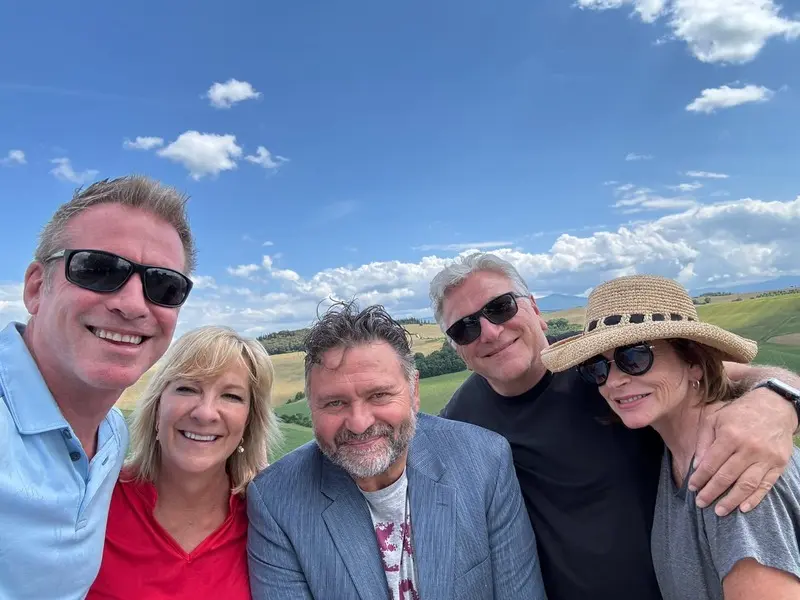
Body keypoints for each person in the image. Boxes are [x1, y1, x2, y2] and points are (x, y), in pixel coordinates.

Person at [430, 252, 800, 600]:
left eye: (500, 307)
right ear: (457, 349)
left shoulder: (602, 363)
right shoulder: (462, 419)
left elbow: (730, 377)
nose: (490, 332)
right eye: (464, 329)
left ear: (536, 309)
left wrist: (776, 404)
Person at [247, 302, 548, 600]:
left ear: (414, 391)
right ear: (312, 405)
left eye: (379, 395)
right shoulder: (276, 501)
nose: (359, 423)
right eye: (334, 403)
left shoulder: (484, 461)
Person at [540, 274, 800, 599]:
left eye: (634, 357)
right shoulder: (677, 452)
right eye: (597, 367)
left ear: (693, 361)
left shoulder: (730, 465)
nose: (613, 381)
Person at [0, 176, 195, 600]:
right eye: (98, 270)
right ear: (36, 288)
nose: (132, 303)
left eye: (164, 286)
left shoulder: (111, 436)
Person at [87, 325, 282, 599]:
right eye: (187, 388)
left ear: (249, 423)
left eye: (231, 396)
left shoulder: (269, 522)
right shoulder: (93, 501)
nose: (205, 413)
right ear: (157, 410)